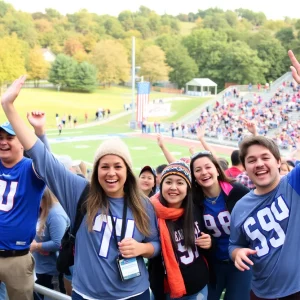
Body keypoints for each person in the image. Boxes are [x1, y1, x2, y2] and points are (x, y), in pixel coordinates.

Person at [1, 75, 161, 300]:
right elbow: (42, 158)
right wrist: (9, 107)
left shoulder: (143, 203)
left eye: (118, 166)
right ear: (96, 171)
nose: (111, 172)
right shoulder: (81, 192)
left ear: (127, 170)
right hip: (87, 294)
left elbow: (156, 244)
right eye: (104, 166)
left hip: (134, 293)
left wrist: (142, 249)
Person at [229, 135, 300, 299]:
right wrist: (237, 253)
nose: (259, 163)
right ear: (245, 167)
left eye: (265, 157)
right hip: (260, 292)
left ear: (278, 162)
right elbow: (234, 244)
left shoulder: (293, 183)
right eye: (251, 160)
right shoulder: (240, 207)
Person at [190, 151, 251, 300]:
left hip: (240, 263)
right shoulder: (194, 200)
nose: (204, 173)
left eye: (207, 167)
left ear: (217, 170)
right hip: (214, 264)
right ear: (194, 177)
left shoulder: (237, 191)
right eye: (198, 170)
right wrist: (210, 242)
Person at [149, 161, 212, 300]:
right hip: (164, 288)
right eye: (168, 182)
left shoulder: (195, 209)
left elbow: (206, 242)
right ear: (161, 185)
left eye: (180, 183)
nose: (173, 187)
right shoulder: (150, 212)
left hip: (196, 285)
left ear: (188, 187)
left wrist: (208, 242)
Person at [0, 119, 46, 300]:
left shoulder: (29, 168)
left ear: (22, 142)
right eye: (0, 137)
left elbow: (46, 163)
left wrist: (40, 132)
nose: (3, 142)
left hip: (17, 258)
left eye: (9, 137)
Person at [31, 188, 69, 300]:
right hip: (39, 268)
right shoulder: (41, 209)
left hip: (51, 271)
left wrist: (37, 246)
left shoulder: (56, 214)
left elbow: (58, 243)